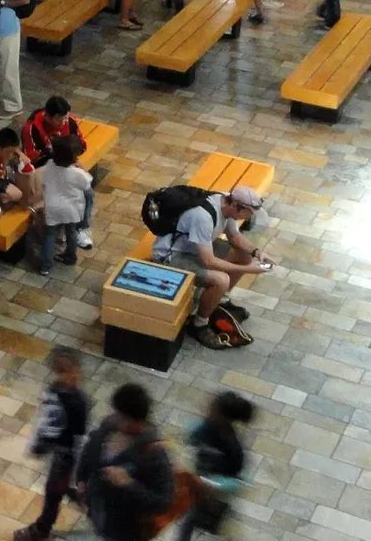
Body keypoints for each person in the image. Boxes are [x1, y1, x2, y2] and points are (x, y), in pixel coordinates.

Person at [149, 185, 269, 348]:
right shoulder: (203, 216)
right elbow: (209, 262)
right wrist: (249, 270)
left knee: (244, 255)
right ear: (235, 206)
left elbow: (234, 236)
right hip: (171, 256)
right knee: (221, 280)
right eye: (248, 214)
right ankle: (199, 324)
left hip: (195, 248)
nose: (248, 218)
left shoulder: (227, 199)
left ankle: (220, 300)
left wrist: (256, 252)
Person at [75, 384, 176, 541]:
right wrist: (81, 478)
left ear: (136, 420)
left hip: (125, 527)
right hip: (99, 509)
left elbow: (162, 502)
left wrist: (129, 484)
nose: (114, 418)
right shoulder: (109, 425)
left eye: (121, 416)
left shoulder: (155, 454)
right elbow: (90, 448)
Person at [13, 347, 88, 541]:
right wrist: (39, 442)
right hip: (60, 453)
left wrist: (76, 469)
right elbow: (46, 419)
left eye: (68, 370)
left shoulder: (78, 402)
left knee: (54, 492)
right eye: (61, 371)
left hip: (67, 457)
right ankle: (84, 500)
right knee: (59, 489)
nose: (66, 375)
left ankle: (42, 530)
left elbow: (78, 439)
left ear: (77, 370)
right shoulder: (55, 391)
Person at [177, 392, 255, 540]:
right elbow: (191, 438)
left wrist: (211, 484)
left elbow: (236, 480)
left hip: (213, 494)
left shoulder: (233, 448)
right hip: (197, 487)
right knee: (188, 521)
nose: (208, 411)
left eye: (213, 410)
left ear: (224, 417)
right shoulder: (203, 428)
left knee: (201, 521)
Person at [40, 136, 94, 270]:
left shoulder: (49, 165)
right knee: (71, 233)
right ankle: (70, 257)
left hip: (52, 207)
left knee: (49, 235)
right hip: (72, 209)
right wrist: (82, 169)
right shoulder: (77, 173)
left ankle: (46, 266)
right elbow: (87, 185)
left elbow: (45, 180)